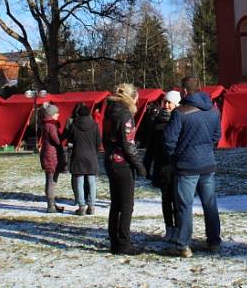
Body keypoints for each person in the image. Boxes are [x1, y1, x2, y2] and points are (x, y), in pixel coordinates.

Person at [164, 77, 221, 258]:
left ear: (185, 91)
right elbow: (216, 136)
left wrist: (176, 155)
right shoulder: (213, 111)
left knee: (184, 206)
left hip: (186, 166)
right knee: (210, 204)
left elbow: (169, 140)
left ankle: (183, 245)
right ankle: (214, 242)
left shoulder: (180, 113)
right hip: (207, 163)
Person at [102, 83, 147, 255]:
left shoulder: (110, 111)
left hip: (110, 159)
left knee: (116, 204)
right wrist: (140, 166)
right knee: (127, 205)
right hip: (122, 163)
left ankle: (115, 241)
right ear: (132, 98)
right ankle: (124, 243)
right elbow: (129, 145)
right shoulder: (125, 114)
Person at [144, 90, 182, 241]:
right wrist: (147, 166)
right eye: (164, 102)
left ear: (176, 104)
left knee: (178, 200)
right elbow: (150, 148)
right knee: (166, 200)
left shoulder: (180, 121)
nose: (166, 105)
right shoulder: (156, 123)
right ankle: (169, 228)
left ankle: (179, 228)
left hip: (178, 166)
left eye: (169, 102)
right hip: (162, 167)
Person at [64, 103, 101, 215]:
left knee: (79, 182)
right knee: (91, 182)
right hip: (91, 156)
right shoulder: (94, 125)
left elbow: (70, 139)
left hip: (78, 155)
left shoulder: (74, 125)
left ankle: (81, 207)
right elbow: (98, 142)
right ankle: (92, 206)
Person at [39, 104, 66, 213]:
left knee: (50, 180)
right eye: (56, 113)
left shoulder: (46, 125)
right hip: (51, 156)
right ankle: (50, 205)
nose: (58, 115)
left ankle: (52, 203)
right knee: (51, 181)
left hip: (48, 155)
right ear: (51, 115)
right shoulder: (51, 126)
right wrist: (64, 135)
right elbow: (57, 141)